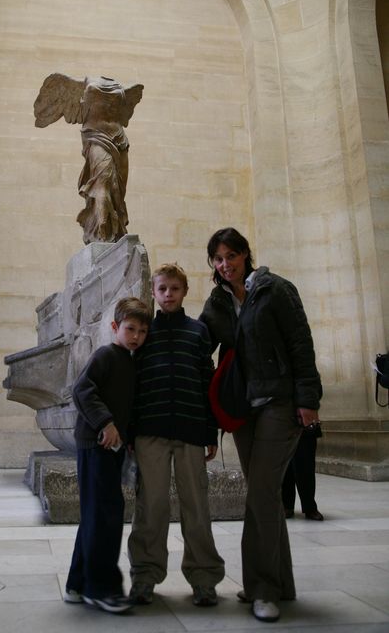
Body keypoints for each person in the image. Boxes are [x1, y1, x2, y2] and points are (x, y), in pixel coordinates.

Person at [200, 228, 322, 623]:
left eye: (231, 255)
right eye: (218, 258)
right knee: (263, 494)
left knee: (263, 493)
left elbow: (300, 342)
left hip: (278, 403)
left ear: (245, 255)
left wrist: (308, 399)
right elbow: (197, 341)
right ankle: (279, 583)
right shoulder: (217, 301)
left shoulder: (276, 289)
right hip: (242, 409)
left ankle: (263, 588)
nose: (225, 264)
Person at [128, 263, 225, 608]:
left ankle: (203, 578)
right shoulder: (144, 333)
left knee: (196, 507)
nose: (168, 294)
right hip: (150, 432)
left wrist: (211, 429)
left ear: (184, 292)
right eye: (162, 289)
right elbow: (133, 385)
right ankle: (144, 576)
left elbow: (206, 382)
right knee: (150, 506)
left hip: (190, 431)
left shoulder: (198, 332)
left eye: (174, 288)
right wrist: (130, 432)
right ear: (152, 293)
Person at [64, 297, 151, 614]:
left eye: (142, 331)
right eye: (130, 329)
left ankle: (77, 583)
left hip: (112, 448)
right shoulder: (106, 355)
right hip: (95, 445)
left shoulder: (130, 361)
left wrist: (124, 435)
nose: (136, 336)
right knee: (106, 515)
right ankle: (102, 589)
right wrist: (106, 423)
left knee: (94, 515)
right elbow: (82, 390)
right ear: (115, 327)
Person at [34, 73, 143, 244]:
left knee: (117, 191)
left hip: (120, 140)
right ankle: (102, 230)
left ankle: (114, 231)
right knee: (103, 184)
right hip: (97, 139)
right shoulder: (85, 86)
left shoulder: (119, 88)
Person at [282, 425, 324, 520]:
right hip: (281, 423)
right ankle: (286, 506)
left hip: (304, 422)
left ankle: (309, 507)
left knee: (306, 465)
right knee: (285, 467)